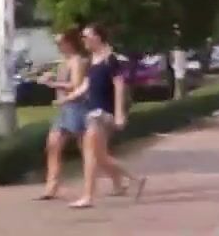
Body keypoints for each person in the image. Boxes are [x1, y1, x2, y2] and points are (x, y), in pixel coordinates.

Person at [68, 23, 143, 209]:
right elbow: (86, 85)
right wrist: (69, 97)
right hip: (92, 111)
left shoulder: (110, 59)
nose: (84, 40)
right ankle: (136, 179)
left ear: (98, 37)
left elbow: (119, 85)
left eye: (87, 36)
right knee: (100, 156)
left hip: (102, 113)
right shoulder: (92, 60)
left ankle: (88, 196)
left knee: (90, 154)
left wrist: (119, 113)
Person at [38, 29, 88, 201]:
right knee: (53, 145)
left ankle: (118, 178)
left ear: (70, 43)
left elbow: (76, 85)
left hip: (76, 108)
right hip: (63, 109)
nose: (59, 46)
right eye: (57, 43)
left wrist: (53, 84)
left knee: (89, 150)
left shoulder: (77, 61)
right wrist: (50, 77)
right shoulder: (63, 62)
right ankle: (51, 186)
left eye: (61, 43)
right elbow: (63, 80)